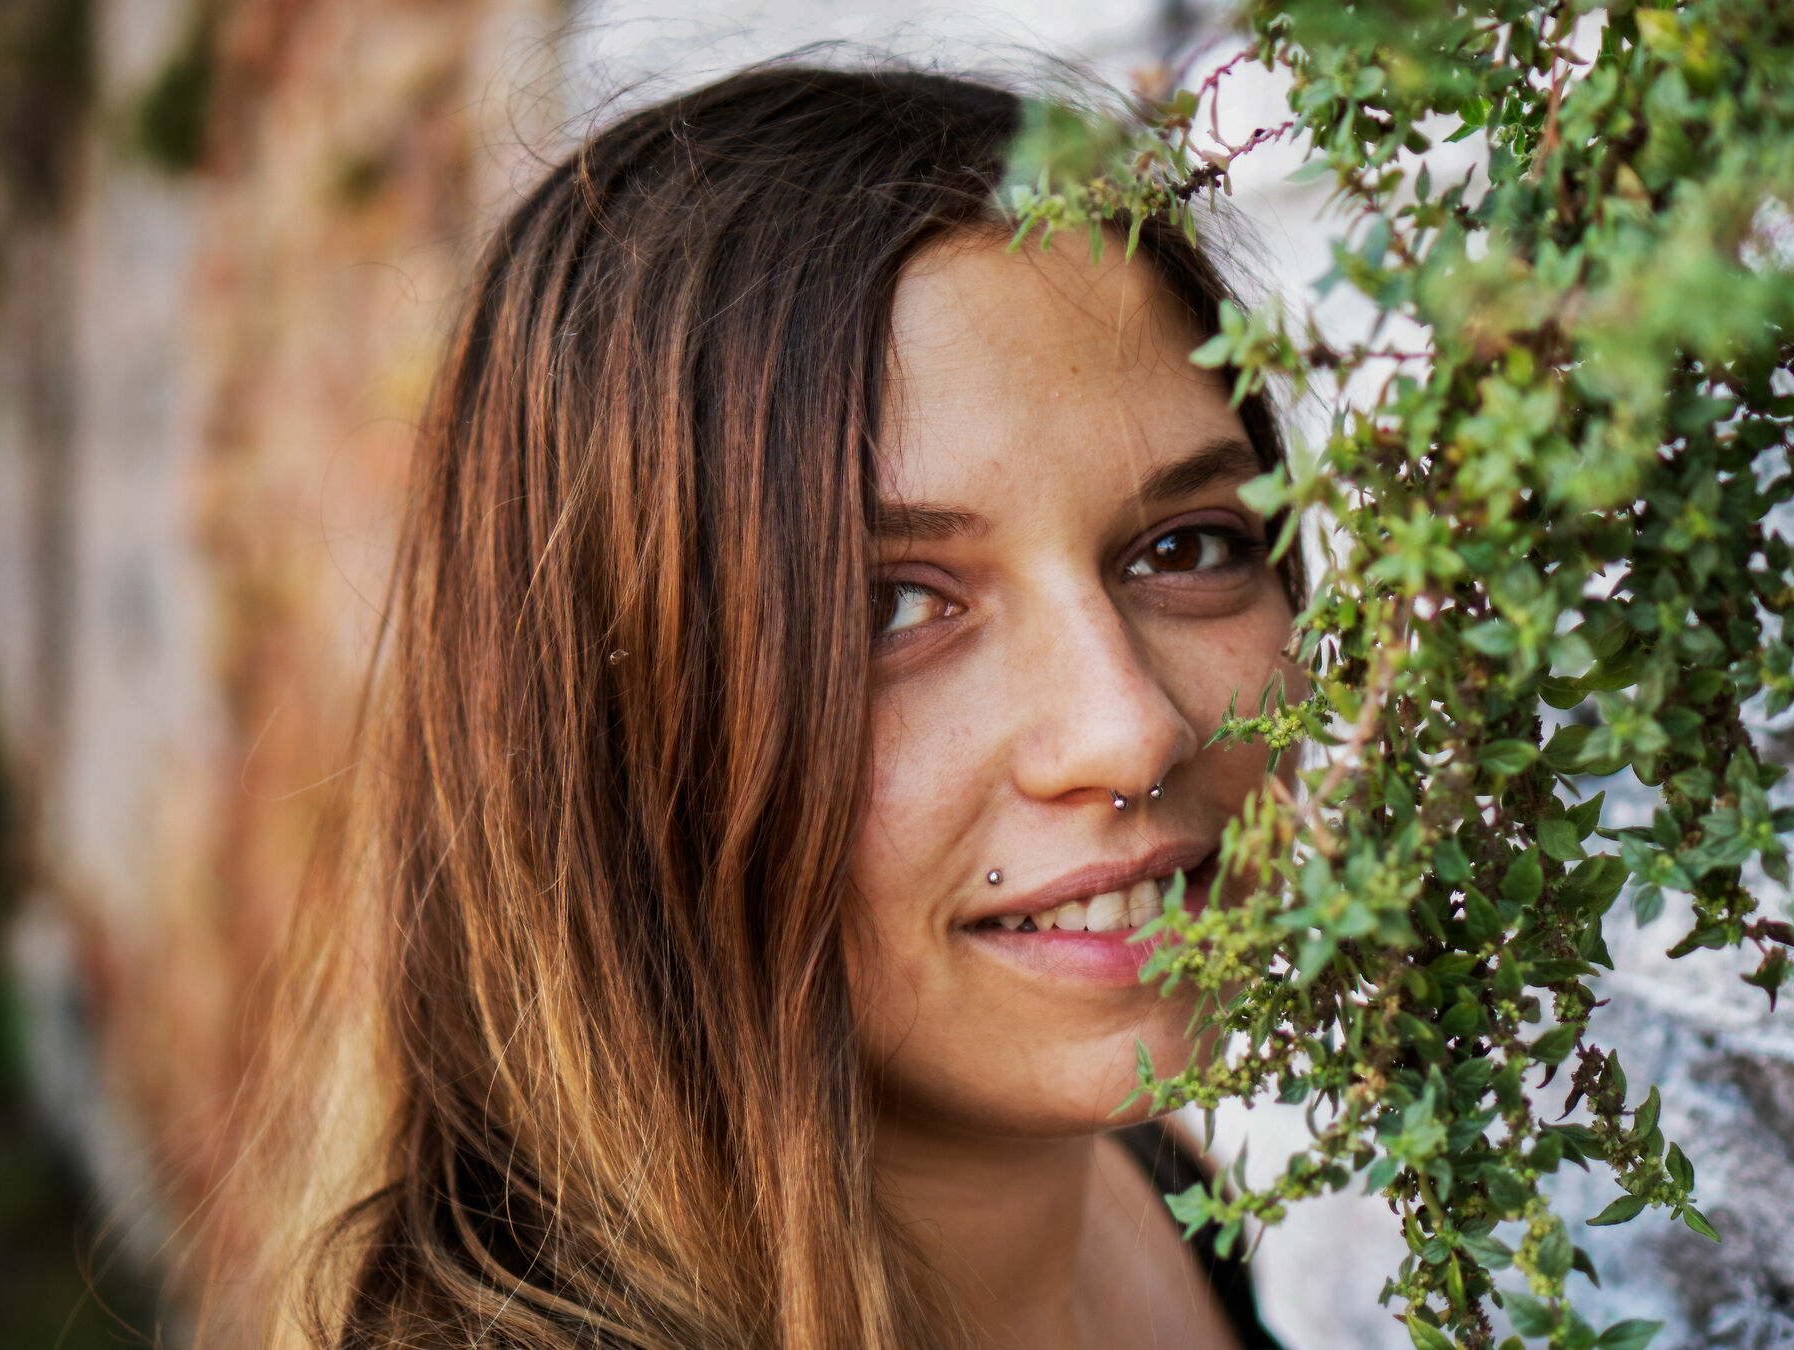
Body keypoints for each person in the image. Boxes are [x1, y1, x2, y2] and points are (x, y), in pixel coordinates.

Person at [266, 63, 1300, 1350]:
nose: (1132, 731)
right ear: (605, 722)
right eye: (888, 607)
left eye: (1185, 549)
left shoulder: (1149, 1181)